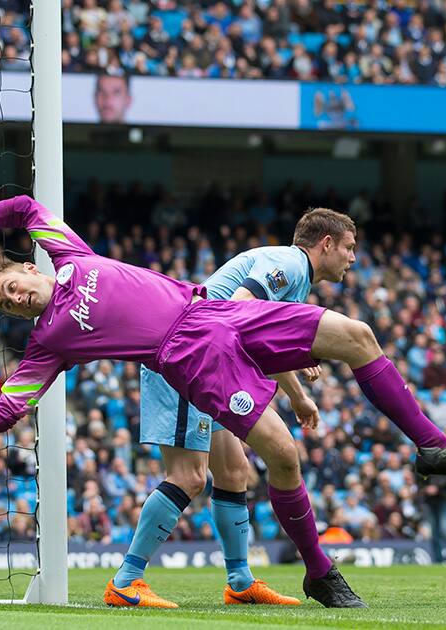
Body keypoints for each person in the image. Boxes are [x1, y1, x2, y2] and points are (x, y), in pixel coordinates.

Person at [0, 195, 446, 608]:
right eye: (5, 304)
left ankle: (433, 446)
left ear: (27, 268)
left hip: (216, 312)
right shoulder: (48, 345)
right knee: (278, 456)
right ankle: (315, 570)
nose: (15, 299)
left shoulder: (68, 252)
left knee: (357, 335)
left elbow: (25, 206)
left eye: (11, 285)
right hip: (190, 358)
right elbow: (4, 413)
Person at [109, 208, 355, 609]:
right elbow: (237, 315)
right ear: (325, 244)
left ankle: (240, 582)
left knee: (235, 471)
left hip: (207, 364)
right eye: (348, 247)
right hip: (186, 358)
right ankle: (126, 580)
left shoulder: (293, 278)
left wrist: (295, 394)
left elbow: (253, 334)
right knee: (189, 476)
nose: (352, 258)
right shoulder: (287, 265)